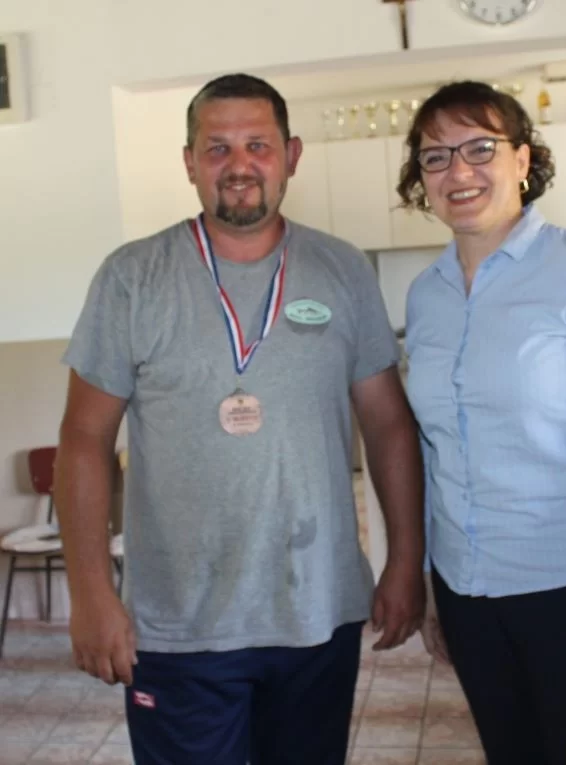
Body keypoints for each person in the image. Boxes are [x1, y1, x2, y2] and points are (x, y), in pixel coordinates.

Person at [54, 73, 425, 765]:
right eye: (217, 148)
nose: (239, 165)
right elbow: (83, 439)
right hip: (178, 627)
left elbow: (388, 425)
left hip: (317, 615)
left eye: (258, 144)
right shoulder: (133, 277)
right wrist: (91, 593)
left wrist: (405, 560)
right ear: (189, 162)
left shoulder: (342, 270)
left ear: (291, 155)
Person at [398, 81, 566, 765]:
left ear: (522, 159)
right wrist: (433, 579)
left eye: (479, 148)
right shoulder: (426, 296)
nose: (458, 171)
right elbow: (438, 449)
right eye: (435, 156)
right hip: (468, 596)